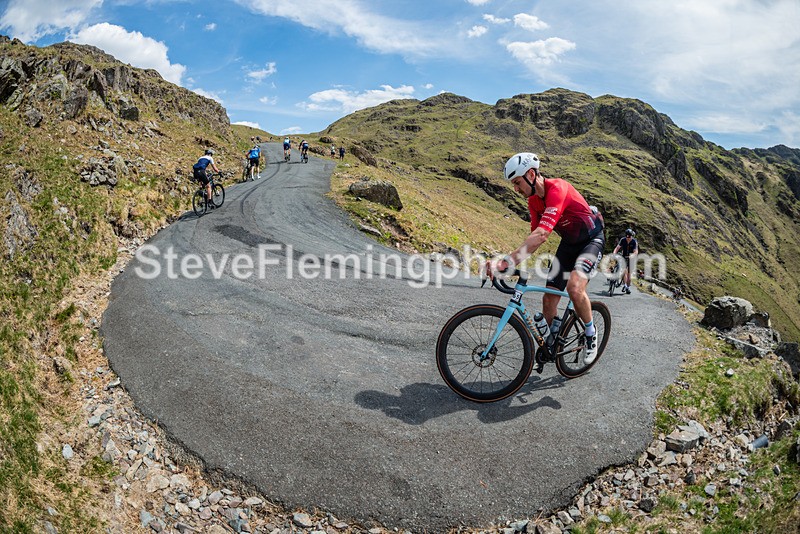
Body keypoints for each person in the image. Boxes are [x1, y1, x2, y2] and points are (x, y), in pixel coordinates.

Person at [485, 152, 605, 363]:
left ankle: (590, 333)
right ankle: (550, 344)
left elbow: (542, 236)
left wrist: (505, 263)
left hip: (591, 240)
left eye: (517, 182)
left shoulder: (558, 189)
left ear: (531, 174)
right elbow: (534, 236)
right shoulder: (533, 201)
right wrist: (509, 262)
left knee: (575, 288)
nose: (516, 189)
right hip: (568, 244)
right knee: (549, 298)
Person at [612, 228, 639, 294]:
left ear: (631, 236)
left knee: (629, 274)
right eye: (627, 237)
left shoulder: (634, 241)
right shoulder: (623, 240)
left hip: (631, 257)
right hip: (624, 256)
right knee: (624, 271)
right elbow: (617, 248)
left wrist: (631, 256)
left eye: (629, 237)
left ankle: (628, 287)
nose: (628, 238)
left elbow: (636, 252)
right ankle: (625, 285)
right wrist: (614, 253)